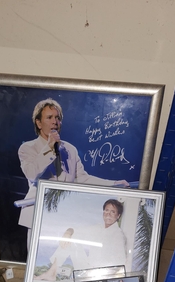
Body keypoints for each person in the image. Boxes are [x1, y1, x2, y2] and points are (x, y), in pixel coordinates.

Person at [18, 98, 129, 248]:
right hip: (38, 215)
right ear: (38, 123)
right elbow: (32, 174)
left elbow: (83, 178)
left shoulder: (70, 149)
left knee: (59, 255)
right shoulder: (27, 148)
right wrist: (49, 147)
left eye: (57, 118)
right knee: (37, 254)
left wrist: (114, 184)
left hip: (64, 215)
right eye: (49, 117)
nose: (55, 122)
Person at [34, 199, 127, 281]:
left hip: (101, 276)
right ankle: (52, 272)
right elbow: (76, 230)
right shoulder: (98, 228)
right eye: (106, 210)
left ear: (118, 216)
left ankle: (52, 273)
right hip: (87, 269)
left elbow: (120, 263)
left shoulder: (118, 235)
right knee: (72, 237)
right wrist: (68, 233)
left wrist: (104, 279)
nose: (108, 214)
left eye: (112, 212)